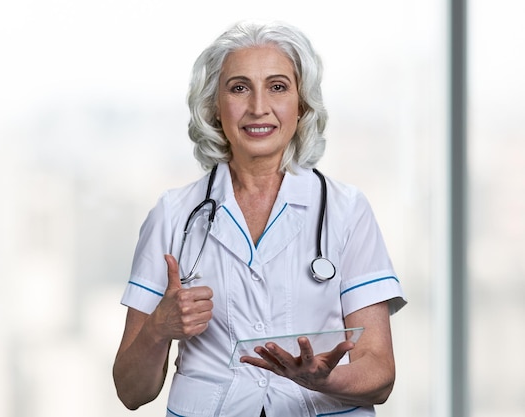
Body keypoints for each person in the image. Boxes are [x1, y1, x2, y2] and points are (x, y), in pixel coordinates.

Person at [113, 20, 406, 417]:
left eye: (278, 86)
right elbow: (131, 392)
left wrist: (322, 380)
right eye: (239, 88)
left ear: (301, 105)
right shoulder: (173, 214)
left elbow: (380, 373)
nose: (258, 107)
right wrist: (159, 328)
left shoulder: (347, 209)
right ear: (214, 107)